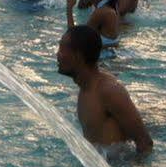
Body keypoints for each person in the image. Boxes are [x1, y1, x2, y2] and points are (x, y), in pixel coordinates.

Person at [55, 25, 151, 155]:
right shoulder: (86, 87)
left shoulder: (108, 91)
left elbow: (145, 142)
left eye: (62, 49)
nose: (57, 54)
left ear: (77, 56)